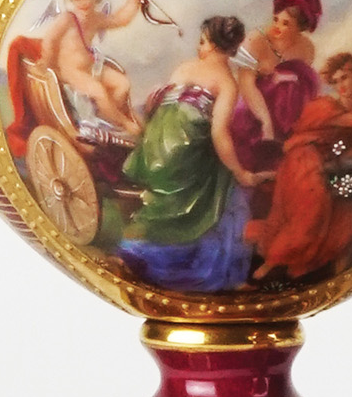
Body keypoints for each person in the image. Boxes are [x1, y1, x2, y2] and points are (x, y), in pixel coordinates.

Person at [116, 16, 273, 292]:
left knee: (211, 162)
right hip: (183, 153)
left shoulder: (184, 68)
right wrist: (239, 171)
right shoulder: (227, 82)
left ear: (210, 44)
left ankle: (138, 254)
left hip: (155, 148)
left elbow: (161, 111)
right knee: (226, 183)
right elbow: (218, 134)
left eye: (201, 42)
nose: (199, 48)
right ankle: (218, 271)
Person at [246, 52, 352, 283]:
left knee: (344, 213)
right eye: (335, 81)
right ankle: (272, 262)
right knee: (311, 214)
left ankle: (313, 265)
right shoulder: (325, 106)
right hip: (302, 162)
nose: (340, 85)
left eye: (345, 77)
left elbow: (345, 145)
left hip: (323, 164)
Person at [34, 0, 144, 133]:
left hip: (91, 67)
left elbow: (120, 19)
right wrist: (47, 61)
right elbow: (50, 39)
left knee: (123, 83)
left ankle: (105, 116)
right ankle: (123, 123)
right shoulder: (67, 19)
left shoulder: (96, 18)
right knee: (99, 92)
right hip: (71, 71)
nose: (83, 2)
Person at [233, 0, 325, 174]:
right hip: (252, 111)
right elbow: (246, 86)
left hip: (285, 114)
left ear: (300, 28)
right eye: (276, 19)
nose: (277, 26)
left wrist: (284, 79)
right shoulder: (255, 41)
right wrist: (266, 123)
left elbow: (305, 88)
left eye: (286, 23)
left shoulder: (306, 49)